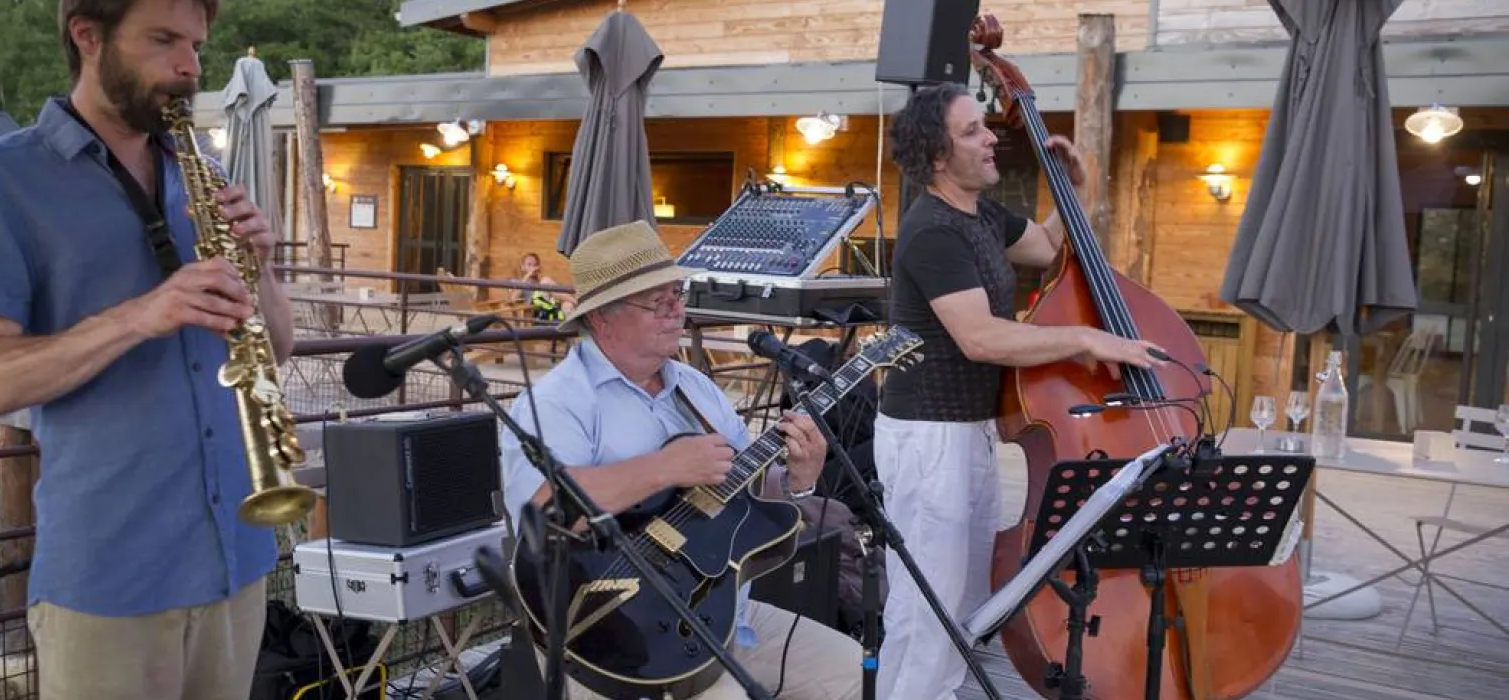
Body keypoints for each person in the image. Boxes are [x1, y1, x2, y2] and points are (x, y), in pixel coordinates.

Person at [0, 1, 286, 698]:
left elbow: (278, 347)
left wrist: (263, 264)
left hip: (237, 562)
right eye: (163, 41)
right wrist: (141, 314)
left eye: (195, 45)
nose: (188, 66)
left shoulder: (201, 171)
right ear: (87, 36)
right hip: (111, 581)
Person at [872, 83, 1166, 700]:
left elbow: (1047, 245)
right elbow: (979, 337)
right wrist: (1085, 338)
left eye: (986, 125)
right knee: (928, 607)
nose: (991, 138)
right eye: (973, 130)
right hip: (928, 436)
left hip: (967, 430)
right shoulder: (932, 232)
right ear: (936, 156)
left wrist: (1074, 188)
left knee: (961, 605)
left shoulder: (980, 214)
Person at [498, 221, 862, 700]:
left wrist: (797, 478)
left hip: (723, 614)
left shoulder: (694, 388)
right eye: (658, 302)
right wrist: (664, 468)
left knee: (855, 673)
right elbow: (543, 512)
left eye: (678, 295)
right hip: (617, 635)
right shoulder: (557, 402)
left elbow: (739, 488)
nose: (677, 311)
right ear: (603, 317)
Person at [508, 251, 577, 320]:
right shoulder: (516, 282)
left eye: (535, 265)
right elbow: (512, 299)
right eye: (529, 264)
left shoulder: (540, 282)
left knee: (568, 304)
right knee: (546, 280)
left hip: (548, 306)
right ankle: (576, 301)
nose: (533, 267)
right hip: (533, 310)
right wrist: (527, 276)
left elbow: (555, 296)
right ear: (523, 267)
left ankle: (572, 326)